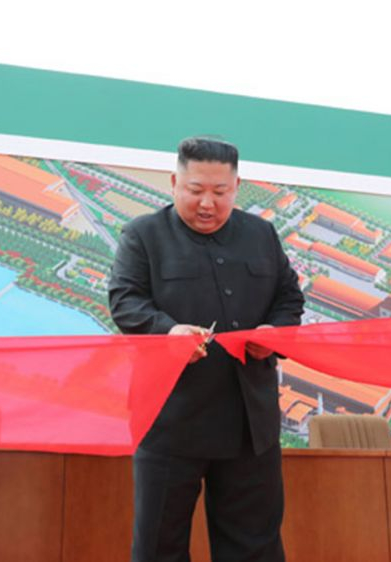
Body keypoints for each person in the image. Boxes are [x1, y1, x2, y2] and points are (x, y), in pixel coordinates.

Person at [108, 137, 304, 561]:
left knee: (255, 547)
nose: (207, 204)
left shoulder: (261, 234)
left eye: (220, 192)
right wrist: (168, 331)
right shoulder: (143, 235)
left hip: (250, 424)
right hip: (170, 421)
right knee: (159, 547)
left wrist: (273, 332)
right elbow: (125, 301)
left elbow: (289, 298)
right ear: (174, 182)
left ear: (237, 187)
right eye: (195, 190)